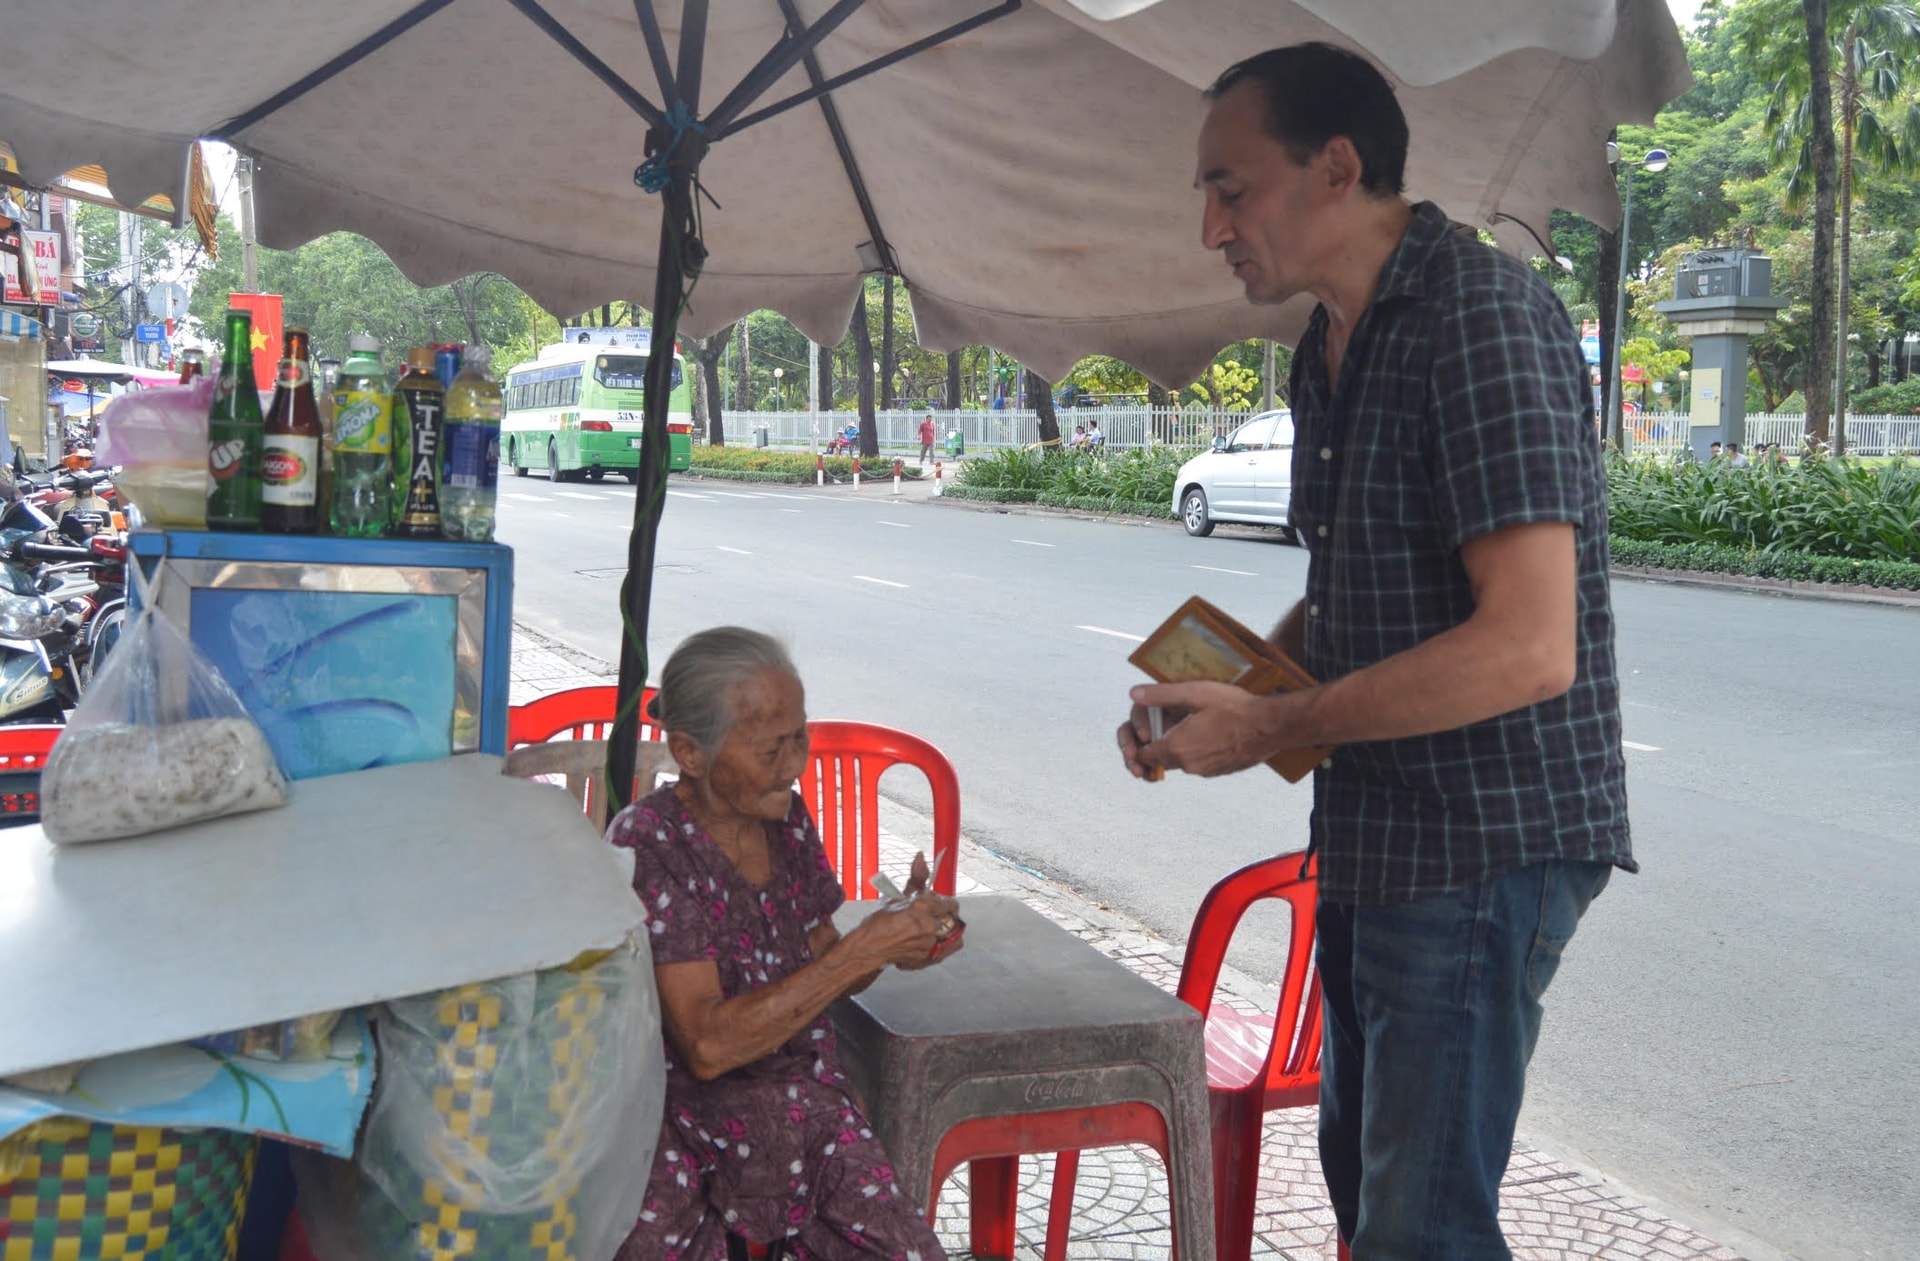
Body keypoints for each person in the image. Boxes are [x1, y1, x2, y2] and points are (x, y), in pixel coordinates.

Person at [1118, 44, 1632, 1259]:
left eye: (1230, 189)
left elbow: (1527, 646)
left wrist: (1274, 727)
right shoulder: (1330, 345)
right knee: (1370, 1194)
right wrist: (1225, 709)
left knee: (1423, 1224)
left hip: (1483, 838)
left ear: (1337, 168)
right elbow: (1358, 595)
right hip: (1377, 830)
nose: (1210, 230)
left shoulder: (1482, 318)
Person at [609, 627, 961, 1261]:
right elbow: (709, 1047)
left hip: (809, 1117)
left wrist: (894, 937)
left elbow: (827, 962)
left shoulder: (786, 821)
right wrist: (862, 951)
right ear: (690, 752)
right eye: (773, 747)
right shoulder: (649, 844)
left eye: (801, 736)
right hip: (682, 1130)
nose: (795, 764)